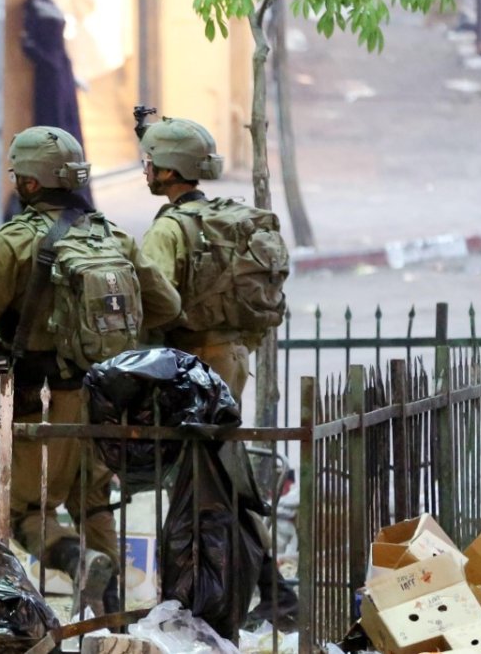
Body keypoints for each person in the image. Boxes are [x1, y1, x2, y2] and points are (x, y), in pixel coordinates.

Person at [0, 126, 181, 615]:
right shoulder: (111, 234)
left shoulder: (15, 242)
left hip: (42, 397)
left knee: (29, 510)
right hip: (107, 396)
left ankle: (78, 562)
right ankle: (112, 618)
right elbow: (165, 305)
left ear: (30, 184)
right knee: (92, 503)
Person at [138, 115, 297, 628]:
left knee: (206, 484)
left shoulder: (169, 229)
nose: (146, 170)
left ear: (168, 171)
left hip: (193, 366)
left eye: (152, 163)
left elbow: (154, 302)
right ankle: (272, 591)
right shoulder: (223, 218)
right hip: (231, 359)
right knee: (220, 476)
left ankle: (211, 598)